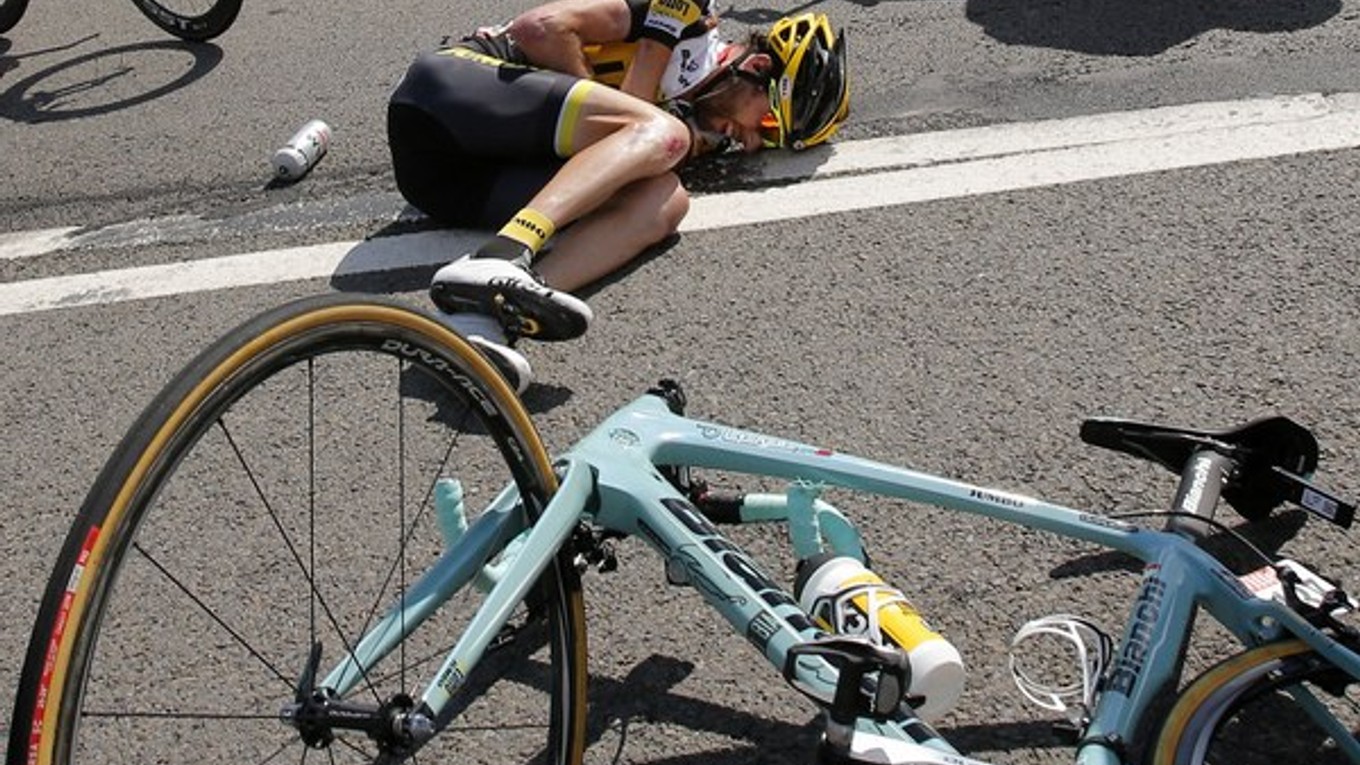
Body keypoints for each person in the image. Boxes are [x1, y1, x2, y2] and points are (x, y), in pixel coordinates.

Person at [387, 0, 849, 391]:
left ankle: (491, 315)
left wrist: (631, 119)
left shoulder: (692, 121)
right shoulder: (681, 20)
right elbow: (539, 29)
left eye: (768, 142)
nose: (749, 142)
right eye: (766, 124)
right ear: (757, 67)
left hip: (445, 182)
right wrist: (641, 71)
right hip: (447, 94)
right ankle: (507, 252)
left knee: (666, 201)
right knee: (663, 137)